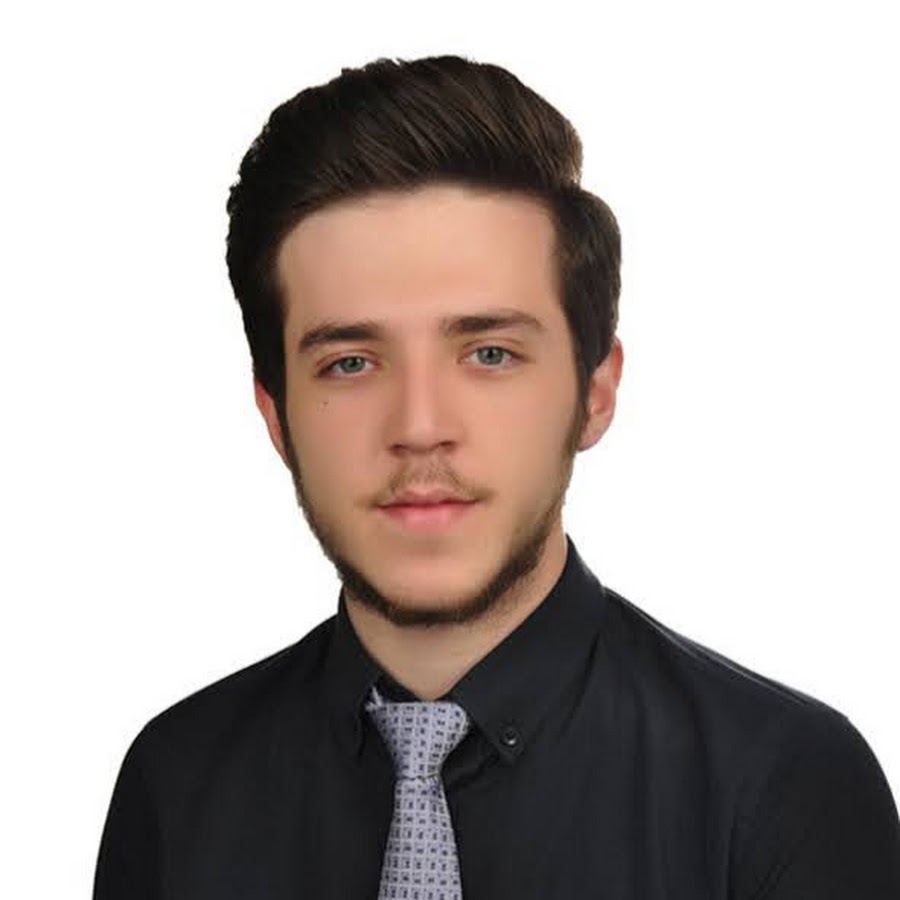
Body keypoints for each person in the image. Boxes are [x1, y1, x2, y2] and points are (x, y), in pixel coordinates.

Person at [92, 54, 900, 899]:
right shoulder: (175, 784)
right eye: (351, 362)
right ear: (275, 416)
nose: (419, 427)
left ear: (594, 392)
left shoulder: (782, 790)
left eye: (489, 354)